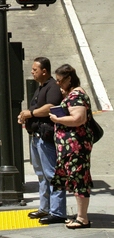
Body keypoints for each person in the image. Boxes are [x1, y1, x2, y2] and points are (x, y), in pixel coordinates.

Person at [18, 57, 67, 225]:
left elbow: (50, 108)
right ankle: (45, 208)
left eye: (35, 70)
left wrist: (30, 114)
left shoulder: (52, 87)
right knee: (41, 175)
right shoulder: (42, 87)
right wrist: (25, 115)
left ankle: (58, 211)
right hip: (36, 137)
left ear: (44, 71)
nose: (32, 72)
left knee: (51, 174)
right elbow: (36, 108)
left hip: (45, 139)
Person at [50, 64, 94, 229]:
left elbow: (78, 119)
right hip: (72, 147)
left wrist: (57, 119)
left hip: (76, 147)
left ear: (69, 79)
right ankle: (80, 216)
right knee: (76, 179)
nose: (58, 84)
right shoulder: (73, 94)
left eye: (60, 81)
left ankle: (83, 218)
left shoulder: (76, 96)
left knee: (79, 180)